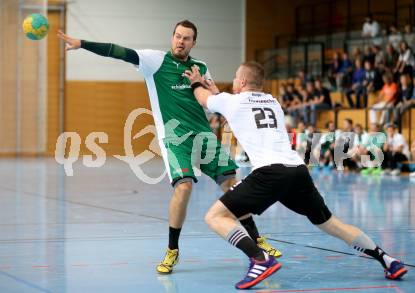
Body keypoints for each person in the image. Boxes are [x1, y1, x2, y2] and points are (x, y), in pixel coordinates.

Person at [57, 20, 280, 275]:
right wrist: (82, 44)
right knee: (183, 187)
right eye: (177, 36)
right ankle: (172, 250)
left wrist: (216, 96)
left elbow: (211, 101)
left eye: (186, 38)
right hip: (175, 139)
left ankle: (258, 242)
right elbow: (118, 51)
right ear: (172, 37)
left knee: (232, 186)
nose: (180, 41)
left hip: (204, 136)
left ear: (193, 43)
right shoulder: (155, 61)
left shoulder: (201, 67)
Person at [184, 61, 407, 289]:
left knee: (215, 216)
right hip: (297, 171)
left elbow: (204, 99)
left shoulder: (232, 101)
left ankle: (260, 259)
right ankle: (388, 260)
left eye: (234, 78)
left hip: (269, 173)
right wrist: (218, 96)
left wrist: (196, 83)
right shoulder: (274, 102)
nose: (233, 82)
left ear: (241, 82)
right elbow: (239, 111)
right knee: (331, 224)